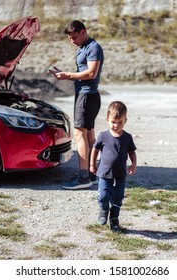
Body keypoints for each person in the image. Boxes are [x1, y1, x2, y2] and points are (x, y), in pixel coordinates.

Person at [49, 20, 104, 190]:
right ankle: (91, 173)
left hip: (87, 96)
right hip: (86, 96)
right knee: (88, 136)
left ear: (83, 32)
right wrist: (64, 73)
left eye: (74, 37)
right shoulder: (83, 48)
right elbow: (83, 71)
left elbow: (91, 73)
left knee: (80, 135)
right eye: (69, 38)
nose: (71, 41)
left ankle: (83, 177)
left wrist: (67, 75)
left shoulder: (93, 47)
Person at [90, 101, 137, 231]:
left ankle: (114, 218)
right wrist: (92, 164)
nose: (116, 125)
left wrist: (133, 164)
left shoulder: (127, 137)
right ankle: (104, 210)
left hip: (120, 174)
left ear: (125, 120)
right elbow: (95, 150)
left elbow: (132, 152)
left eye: (120, 122)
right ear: (107, 120)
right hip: (104, 173)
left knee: (118, 197)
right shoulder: (103, 136)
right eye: (113, 122)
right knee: (103, 196)